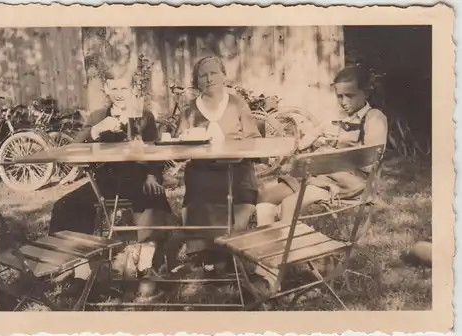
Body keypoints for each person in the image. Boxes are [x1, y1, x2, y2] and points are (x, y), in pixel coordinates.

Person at [254, 65, 388, 290]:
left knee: (289, 204)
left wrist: (328, 153)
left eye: (349, 96)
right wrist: (308, 141)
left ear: (366, 92)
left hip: (350, 182)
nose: (343, 101)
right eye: (339, 96)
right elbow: (309, 138)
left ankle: (273, 275)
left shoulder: (374, 118)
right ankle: (266, 261)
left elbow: (368, 161)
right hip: (319, 174)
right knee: (266, 196)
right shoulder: (336, 116)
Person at [48, 67, 172, 302]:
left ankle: (146, 265)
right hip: (106, 181)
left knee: (152, 199)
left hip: (138, 177)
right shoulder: (97, 117)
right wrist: (96, 131)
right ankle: (77, 268)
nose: (119, 93)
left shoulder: (144, 116)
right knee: (66, 204)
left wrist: (152, 176)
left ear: (132, 89)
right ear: (106, 89)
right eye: (113, 88)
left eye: (123, 87)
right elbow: (72, 149)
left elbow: (155, 150)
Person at [175, 56, 262, 270]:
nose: (209, 78)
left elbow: (253, 138)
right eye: (203, 75)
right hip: (203, 170)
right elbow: (179, 144)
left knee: (240, 192)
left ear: (224, 75)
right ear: (197, 81)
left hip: (236, 166)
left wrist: (239, 150)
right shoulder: (189, 110)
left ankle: (231, 248)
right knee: (198, 187)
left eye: (214, 73)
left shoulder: (236, 103)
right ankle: (206, 253)